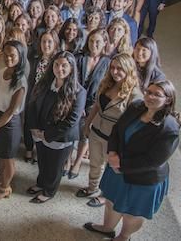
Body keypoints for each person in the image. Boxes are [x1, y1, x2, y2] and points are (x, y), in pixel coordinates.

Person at [84, 80, 179, 241]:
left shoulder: (169, 128)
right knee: (111, 201)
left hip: (143, 178)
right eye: (148, 92)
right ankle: (107, 228)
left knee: (132, 212)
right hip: (117, 167)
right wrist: (112, 152)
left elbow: (153, 161)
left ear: (168, 99)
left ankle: (124, 236)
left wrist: (119, 164)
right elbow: (116, 130)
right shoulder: (136, 106)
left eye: (157, 94)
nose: (149, 96)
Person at [76, 53, 142, 208]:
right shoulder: (106, 84)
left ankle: (105, 195)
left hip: (114, 139)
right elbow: (97, 107)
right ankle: (92, 188)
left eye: (120, 69)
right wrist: (87, 125)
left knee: (111, 169)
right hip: (97, 131)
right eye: (112, 67)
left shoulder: (134, 95)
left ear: (128, 70)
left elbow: (135, 123)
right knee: (95, 163)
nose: (115, 71)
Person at [25, 51, 86, 203]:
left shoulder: (79, 92)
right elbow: (31, 105)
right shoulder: (44, 84)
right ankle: (41, 183)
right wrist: (33, 128)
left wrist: (48, 135)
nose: (60, 69)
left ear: (71, 68)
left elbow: (71, 121)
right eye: (57, 64)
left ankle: (49, 191)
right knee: (43, 162)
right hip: (39, 133)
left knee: (54, 167)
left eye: (64, 65)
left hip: (59, 137)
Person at [67, 29, 111, 178]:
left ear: (105, 43)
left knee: (85, 133)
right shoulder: (79, 57)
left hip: (93, 104)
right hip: (74, 99)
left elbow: (105, 88)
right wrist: (77, 103)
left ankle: (77, 161)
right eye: (91, 41)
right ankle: (67, 160)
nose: (94, 44)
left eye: (98, 41)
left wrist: (89, 107)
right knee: (71, 129)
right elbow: (71, 80)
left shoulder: (108, 63)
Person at [0, 41, 27, 201]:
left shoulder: (20, 81)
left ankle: (4, 189)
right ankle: (2, 183)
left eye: (13, 55)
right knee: (2, 157)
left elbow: (11, 110)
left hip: (8, 123)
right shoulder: (3, 70)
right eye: (6, 54)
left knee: (8, 159)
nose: (9, 58)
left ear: (20, 57)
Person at [25, 30, 60, 163]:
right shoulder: (35, 59)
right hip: (32, 96)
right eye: (44, 41)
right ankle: (29, 148)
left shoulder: (57, 62)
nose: (46, 44)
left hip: (48, 100)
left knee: (43, 125)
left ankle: (39, 151)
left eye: (49, 41)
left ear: (55, 43)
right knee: (29, 122)